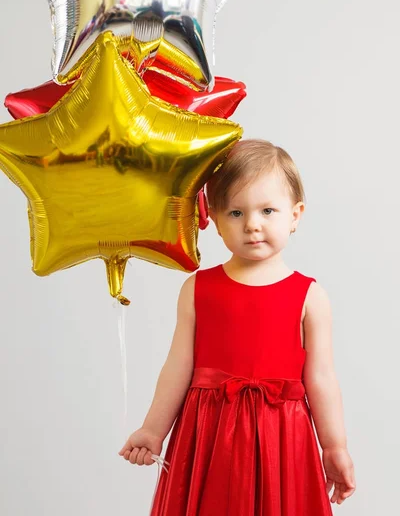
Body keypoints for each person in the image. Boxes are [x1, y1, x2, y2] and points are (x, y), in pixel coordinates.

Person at [119, 138, 356, 514]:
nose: (252, 226)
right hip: (210, 437)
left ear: (295, 215)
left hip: (283, 436)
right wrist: (152, 431)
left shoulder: (310, 296)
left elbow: (322, 378)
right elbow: (178, 366)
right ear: (213, 218)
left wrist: (334, 447)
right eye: (236, 213)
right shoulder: (198, 288)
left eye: (267, 211)